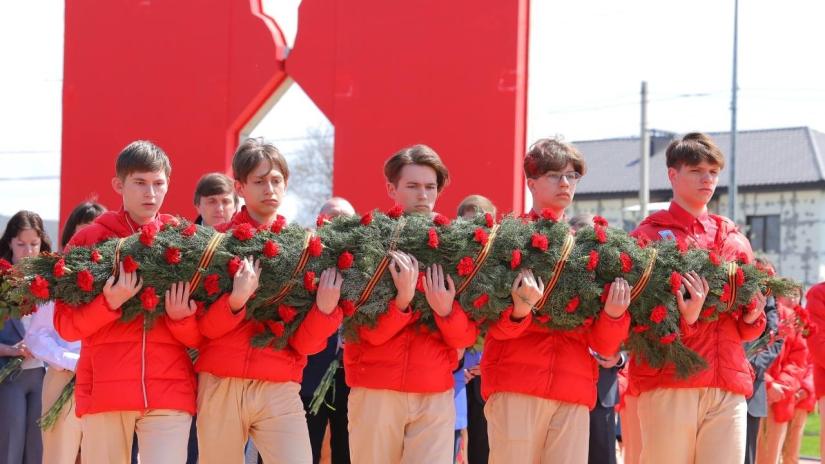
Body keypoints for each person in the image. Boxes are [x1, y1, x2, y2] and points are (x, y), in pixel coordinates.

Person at [481, 138, 631, 463]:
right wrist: (519, 312)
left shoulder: (590, 249)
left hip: (573, 390)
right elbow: (488, 325)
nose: (565, 183)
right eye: (554, 175)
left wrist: (614, 316)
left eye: (572, 175)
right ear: (531, 182)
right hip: (515, 386)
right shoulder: (504, 238)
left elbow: (603, 345)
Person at [195, 137, 343, 464]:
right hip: (221, 382)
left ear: (286, 184)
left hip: (281, 384)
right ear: (240, 187)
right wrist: (236, 299)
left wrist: (324, 310)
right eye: (259, 181)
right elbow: (203, 328)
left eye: (276, 180)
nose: (269, 189)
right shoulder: (215, 247)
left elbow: (305, 343)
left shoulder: (304, 251)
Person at [54, 141, 202, 464]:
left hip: (170, 392)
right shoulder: (89, 241)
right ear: (118, 185)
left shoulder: (183, 243)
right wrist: (109, 302)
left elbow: (201, 338)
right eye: (140, 182)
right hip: (105, 393)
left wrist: (182, 318)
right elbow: (65, 325)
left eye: (158, 183)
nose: (151, 192)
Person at [629, 132, 767, 464]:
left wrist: (752, 318)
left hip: (728, 381)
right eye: (696, 170)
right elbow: (636, 322)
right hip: (670, 381)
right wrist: (685, 319)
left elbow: (748, 329)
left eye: (713, 171)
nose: (707, 179)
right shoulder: (646, 238)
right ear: (672, 175)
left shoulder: (735, 240)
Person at [344, 144, 479, 463]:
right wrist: (402, 301)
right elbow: (365, 333)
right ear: (392, 188)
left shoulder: (457, 247)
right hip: (376, 389)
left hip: (435, 392)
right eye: (413, 186)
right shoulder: (367, 242)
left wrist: (446, 311)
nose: (423, 195)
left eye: (430, 187)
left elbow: (466, 338)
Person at [24, 202, 104, 464]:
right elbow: (37, 335)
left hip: (105, 382)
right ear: (70, 237)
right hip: (62, 378)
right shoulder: (56, 278)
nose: (89, 242)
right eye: (82, 234)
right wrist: (70, 361)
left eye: (97, 234)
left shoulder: (120, 279)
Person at [301, 197, 356, 464]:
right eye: (332, 218)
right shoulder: (303, 261)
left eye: (346, 219)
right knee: (304, 450)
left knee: (347, 453)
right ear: (319, 223)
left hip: (352, 378)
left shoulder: (368, 265)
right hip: (309, 374)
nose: (339, 225)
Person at [0, 211, 51, 464]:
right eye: (21, 244)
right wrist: (11, 350)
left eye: (34, 244)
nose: (27, 251)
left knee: (37, 452)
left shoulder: (53, 280)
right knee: (10, 449)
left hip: (42, 374)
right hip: (9, 375)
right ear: (9, 242)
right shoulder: (1, 280)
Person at [457, 194, 496, 464]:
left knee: (485, 447)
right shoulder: (450, 262)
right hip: (455, 370)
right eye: (469, 224)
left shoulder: (500, 265)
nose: (475, 231)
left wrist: (486, 359)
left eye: (481, 224)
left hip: (488, 371)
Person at [755, 290, 808, 464]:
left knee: (773, 457)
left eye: (796, 294)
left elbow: (799, 360)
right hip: (754, 393)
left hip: (780, 398)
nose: (793, 298)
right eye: (788, 293)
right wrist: (768, 385)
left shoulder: (794, 320)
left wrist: (781, 387)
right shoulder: (754, 314)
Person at [742, 258, 783, 464]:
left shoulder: (773, 308)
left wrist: (753, 365)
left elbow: (776, 340)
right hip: (723, 386)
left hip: (752, 388)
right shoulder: (736, 294)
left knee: (748, 457)